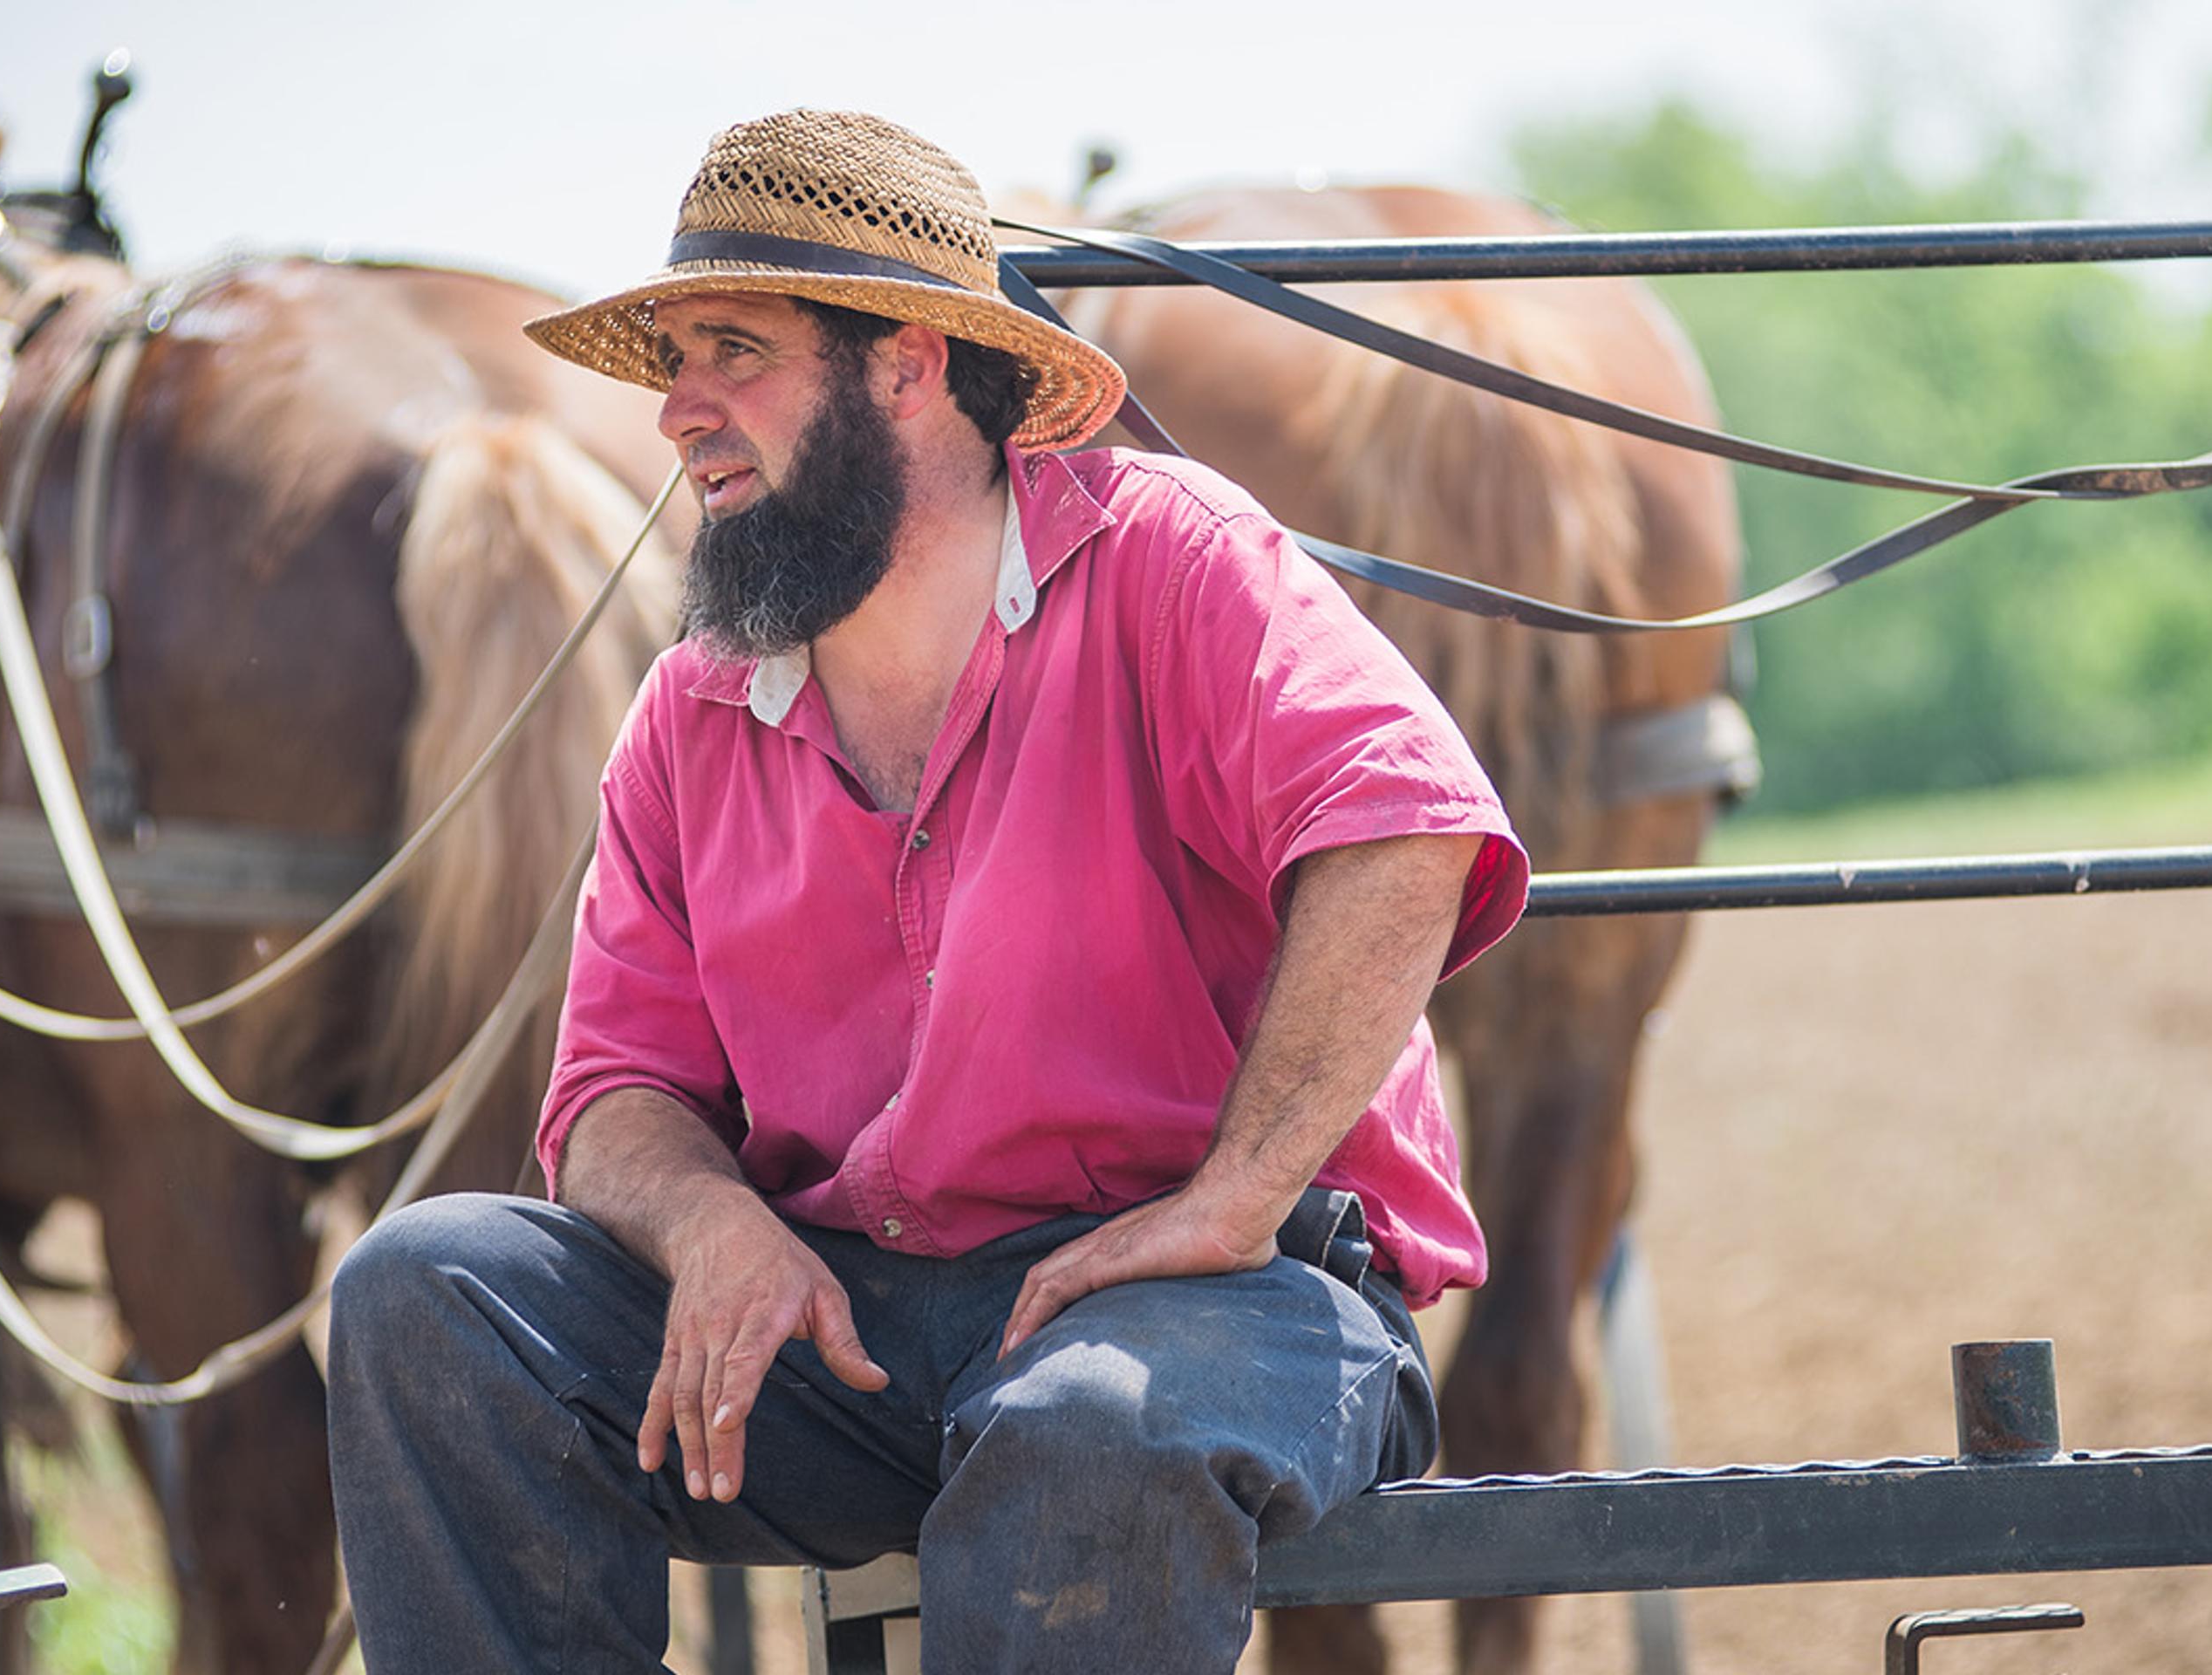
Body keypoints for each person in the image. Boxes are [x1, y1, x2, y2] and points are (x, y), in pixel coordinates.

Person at [326, 108, 1528, 1673]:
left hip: (1216, 1307)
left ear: (908, 365)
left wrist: (1231, 1203)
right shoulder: (693, 708)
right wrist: (710, 1226)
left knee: (1091, 1424)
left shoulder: (1175, 561)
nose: (679, 411)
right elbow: (613, 1090)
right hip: (852, 1330)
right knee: (425, 1295)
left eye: (733, 350)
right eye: (672, 359)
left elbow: (1401, 830)